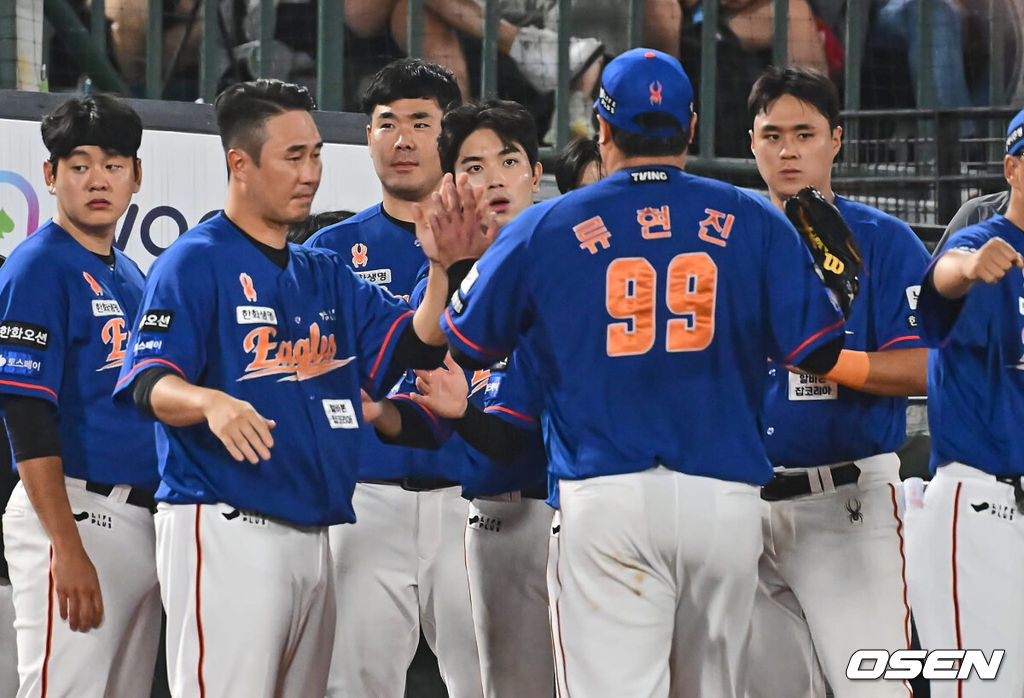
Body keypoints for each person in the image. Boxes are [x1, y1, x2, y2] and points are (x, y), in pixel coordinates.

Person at [437, 48, 848, 696]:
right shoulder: (753, 218)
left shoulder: (548, 224)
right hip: (724, 501)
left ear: (601, 132)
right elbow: (819, 353)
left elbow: (465, 342)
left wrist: (456, 269)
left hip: (608, 496)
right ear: (689, 126)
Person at [111, 78, 485, 697]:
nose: (311, 172)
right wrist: (209, 400)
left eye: (315, 154)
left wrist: (442, 269)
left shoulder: (324, 270)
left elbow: (416, 344)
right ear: (241, 163)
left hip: (315, 534)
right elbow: (148, 381)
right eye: (293, 156)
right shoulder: (195, 259)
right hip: (226, 523)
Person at [743, 65, 931, 698]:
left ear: (837, 140)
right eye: (773, 134)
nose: (788, 149)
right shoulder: (724, 241)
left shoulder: (886, 240)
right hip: (738, 509)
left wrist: (831, 362)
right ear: (751, 142)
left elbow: (925, 366)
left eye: (805, 133)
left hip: (845, 502)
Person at [305, 59, 486, 698]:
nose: (402, 139)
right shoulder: (328, 250)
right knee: (351, 684)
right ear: (368, 135)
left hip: (473, 500)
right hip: (366, 497)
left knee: (492, 681)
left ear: (450, 135)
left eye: (420, 122)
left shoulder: (497, 242)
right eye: (387, 124)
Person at [367, 99, 555, 698]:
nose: (494, 177)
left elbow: (507, 429)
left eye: (509, 160)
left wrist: (459, 412)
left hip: (573, 514)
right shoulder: (443, 282)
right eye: (474, 166)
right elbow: (427, 416)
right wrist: (374, 413)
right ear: (451, 183)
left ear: (535, 172)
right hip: (486, 519)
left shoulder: (570, 259)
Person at [0, 94, 162, 697]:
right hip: (73, 512)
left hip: (135, 520)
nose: (98, 180)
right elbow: (25, 412)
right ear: (50, 174)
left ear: (137, 175)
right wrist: (65, 546)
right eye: (79, 164)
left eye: (114, 164)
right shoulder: (38, 266)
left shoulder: (129, 271)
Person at [905, 106, 1024, 697]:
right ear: (1012, 168)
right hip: (983, 508)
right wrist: (971, 266)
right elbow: (941, 277)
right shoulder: (982, 241)